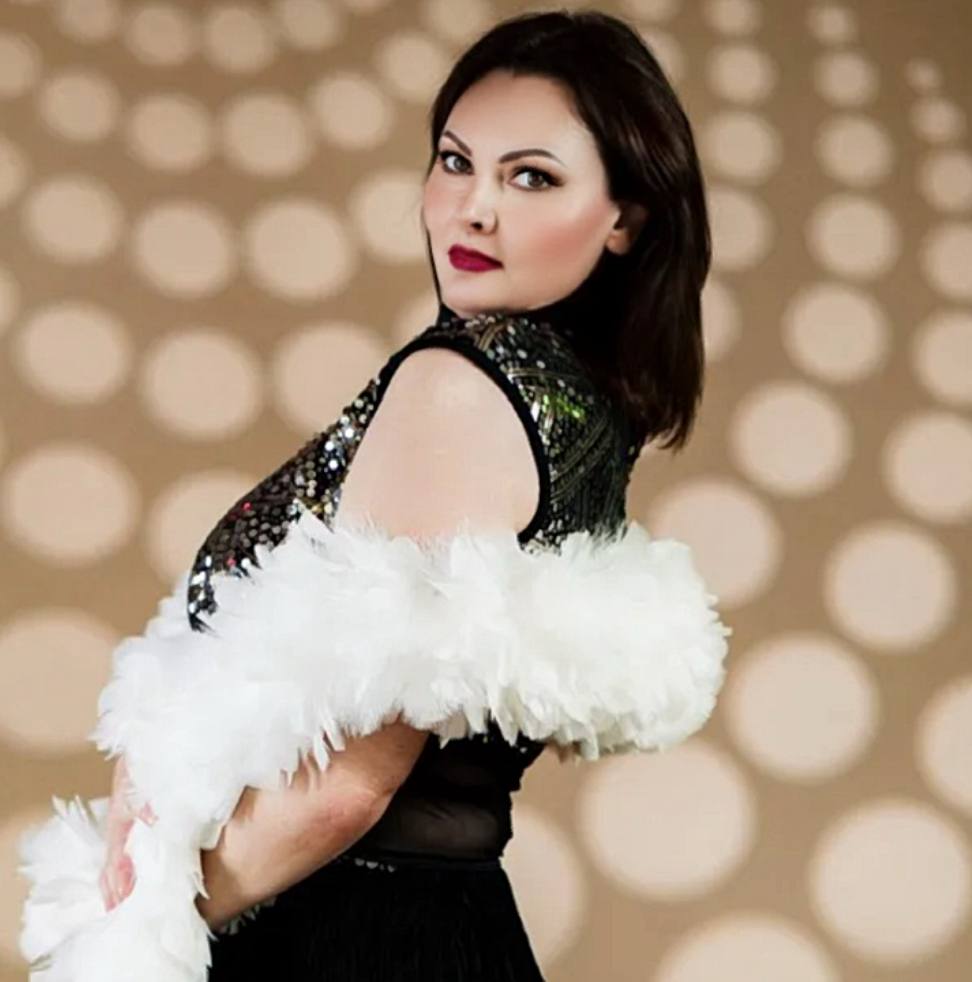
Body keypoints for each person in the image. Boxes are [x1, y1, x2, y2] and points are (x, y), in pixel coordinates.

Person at [17, 9, 730, 981]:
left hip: (342, 936)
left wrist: (129, 941)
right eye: (455, 161)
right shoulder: (580, 405)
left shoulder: (459, 389)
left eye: (531, 177)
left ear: (625, 219)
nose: (473, 208)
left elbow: (346, 780)